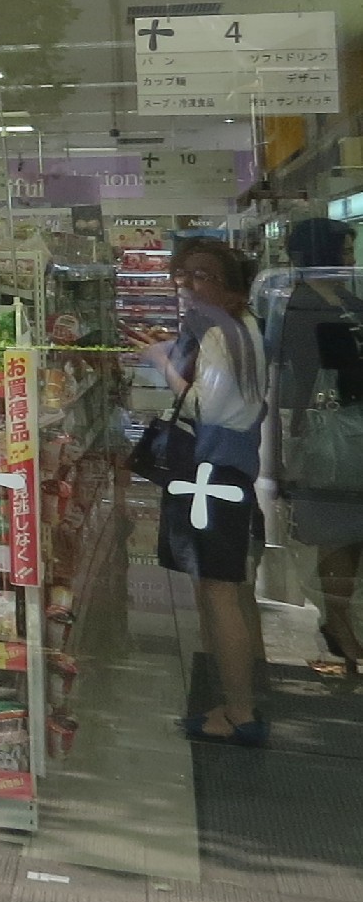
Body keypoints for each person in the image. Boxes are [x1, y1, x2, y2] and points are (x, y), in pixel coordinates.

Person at [163, 237, 271, 746]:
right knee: (229, 587)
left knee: (218, 590)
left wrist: (161, 363)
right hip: (230, 469)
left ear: (230, 286)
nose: (188, 285)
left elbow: (205, 406)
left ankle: (239, 712)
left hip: (211, 475)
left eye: (201, 276)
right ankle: (241, 694)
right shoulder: (240, 326)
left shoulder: (221, 334)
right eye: (183, 275)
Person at [268, 216, 363, 673]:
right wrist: (288, 445)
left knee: (352, 528)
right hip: (331, 431)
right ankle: (338, 623)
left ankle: (342, 618)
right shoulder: (300, 305)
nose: (350, 259)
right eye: (343, 251)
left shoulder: (346, 298)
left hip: (353, 426)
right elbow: (296, 378)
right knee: (336, 528)